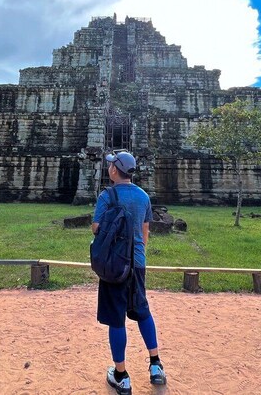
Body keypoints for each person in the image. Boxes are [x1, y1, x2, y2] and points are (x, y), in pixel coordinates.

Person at [92, 151, 166, 395]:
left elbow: (96, 228)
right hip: (137, 263)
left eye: (111, 165)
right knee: (142, 311)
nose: (109, 168)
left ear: (114, 170)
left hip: (115, 264)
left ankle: (121, 376)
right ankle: (156, 365)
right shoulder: (143, 196)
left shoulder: (107, 195)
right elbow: (145, 232)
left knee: (116, 319)